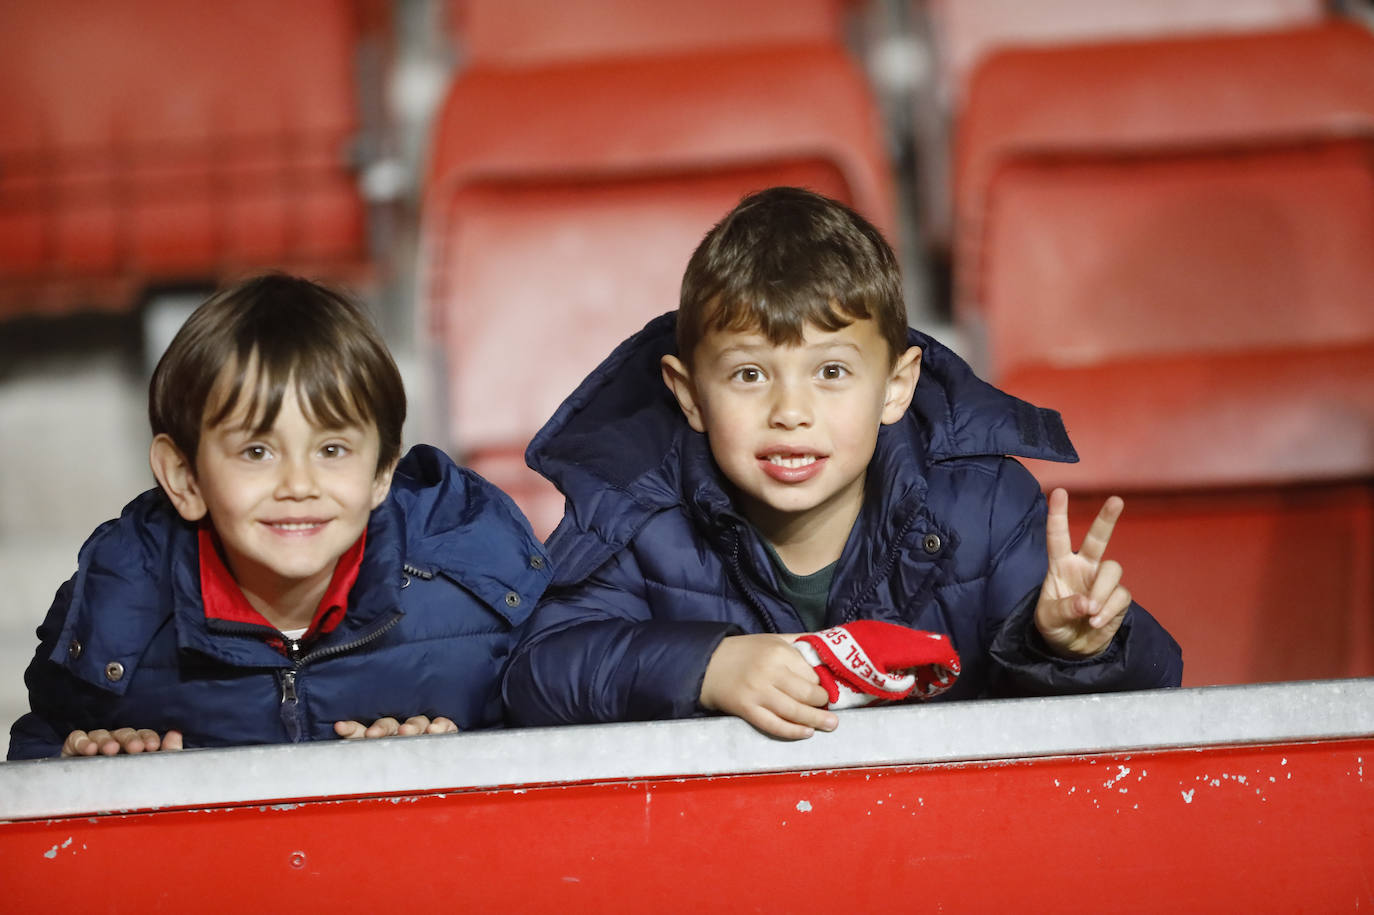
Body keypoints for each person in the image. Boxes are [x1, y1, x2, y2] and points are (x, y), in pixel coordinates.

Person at [502, 186, 1181, 739]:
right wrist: (706, 666)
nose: (790, 410)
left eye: (830, 371)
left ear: (897, 386)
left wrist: (1073, 647)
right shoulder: (635, 510)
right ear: (689, 395)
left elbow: (1153, 692)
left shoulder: (984, 501)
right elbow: (535, 674)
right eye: (747, 376)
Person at [8, 274, 551, 760]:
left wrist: (462, 756)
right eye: (257, 453)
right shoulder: (117, 614)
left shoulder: (476, 603)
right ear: (185, 478)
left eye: (332, 450)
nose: (297, 485)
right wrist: (88, 765)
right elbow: (38, 761)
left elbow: (556, 753)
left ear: (383, 471)